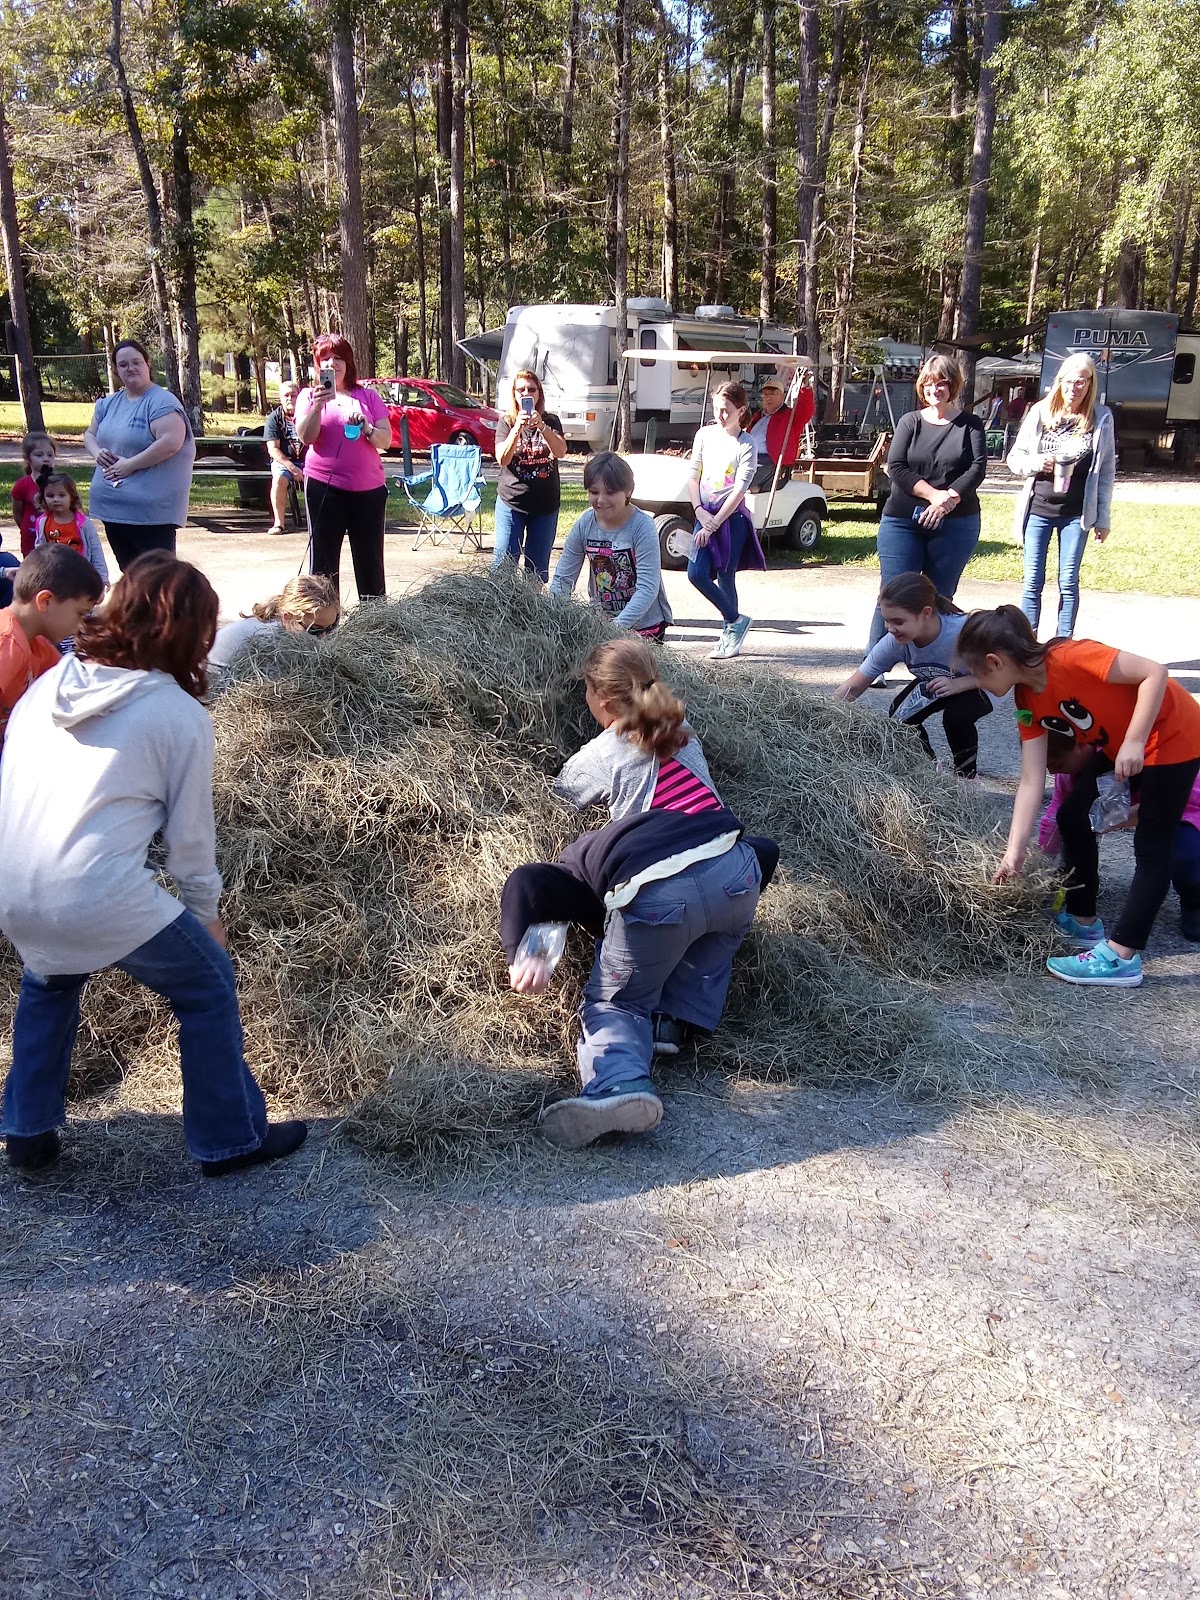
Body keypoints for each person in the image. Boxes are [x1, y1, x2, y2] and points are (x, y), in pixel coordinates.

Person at [0, 552, 308, 1175]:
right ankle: (230, 1140)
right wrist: (206, 917)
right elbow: (190, 840)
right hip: (92, 891)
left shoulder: (46, 688)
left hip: (14, 889)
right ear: (190, 634)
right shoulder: (177, 714)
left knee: (51, 980)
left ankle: (26, 1128)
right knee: (206, 986)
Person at [501, 638, 774, 1150]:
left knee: (616, 1001)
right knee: (706, 940)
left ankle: (620, 1083)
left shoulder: (602, 752)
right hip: (736, 870)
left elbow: (551, 821)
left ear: (600, 701)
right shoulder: (685, 734)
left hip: (659, 893)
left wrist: (529, 948)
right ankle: (674, 1021)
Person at [955, 606, 1200, 987]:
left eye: (976, 673)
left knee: (1153, 845)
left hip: (1173, 735)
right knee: (1074, 816)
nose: (977, 682)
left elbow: (1154, 672)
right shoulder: (1026, 702)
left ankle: (1122, 957)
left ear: (994, 661)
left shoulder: (1072, 656)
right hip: (1120, 744)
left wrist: (1134, 741)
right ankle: (1085, 921)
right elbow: (1032, 781)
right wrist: (1015, 852)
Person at [870, 353, 986, 646]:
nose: (936, 389)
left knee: (940, 595)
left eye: (943, 383)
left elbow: (977, 467)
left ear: (953, 387)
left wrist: (949, 500)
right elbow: (896, 467)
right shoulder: (910, 422)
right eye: (930, 383)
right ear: (922, 386)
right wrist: (935, 496)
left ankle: (934, 659)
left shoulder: (970, 425)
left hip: (956, 522)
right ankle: (875, 661)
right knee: (893, 591)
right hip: (902, 521)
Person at [1037, 734, 1200, 943]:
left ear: (1081, 745)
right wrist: (1042, 860)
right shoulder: (1068, 774)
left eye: (1057, 763)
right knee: (1072, 825)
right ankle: (1077, 897)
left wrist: (1110, 821)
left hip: (1184, 810)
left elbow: (1165, 805)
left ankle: (1195, 895)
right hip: (1136, 807)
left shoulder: (1132, 755)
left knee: (1182, 853)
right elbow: (1057, 814)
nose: (1052, 771)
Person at [834, 571, 992, 778]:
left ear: (926, 613)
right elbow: (853, 686)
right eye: (886, 621)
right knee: (900, 716)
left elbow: (1004, 672)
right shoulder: (893, 642)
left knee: (956, 717)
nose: (890, 628)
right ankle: (928, 771)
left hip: (982, 683)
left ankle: (967, 778)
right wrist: (822, 715)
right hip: (939, 681)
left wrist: (959, 684)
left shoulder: (963, 632)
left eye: (898, 621)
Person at [1006, 353, 1115, 639]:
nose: (1074, 388)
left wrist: (1102, 518)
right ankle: (1026, 642)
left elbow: (1105, 473)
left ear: (1090, 384)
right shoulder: (1040, 412)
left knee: (1068, 580)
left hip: (1076, 514)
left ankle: (1064, 643)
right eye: (1069, 381)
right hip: (1038, 509)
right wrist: (1036, 462)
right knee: (1032, 580)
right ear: (1059, 382)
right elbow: (1015, 458)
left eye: (1081, 382)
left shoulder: (1101, 417)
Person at [82, 338, 196, 571]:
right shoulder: (109, 403)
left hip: (150, 514)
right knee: (130, 572)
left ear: (148, 364)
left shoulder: (161, 402)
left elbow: (171, 442)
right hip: (113, 508)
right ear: (116, 370)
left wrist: (130, 465)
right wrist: (97, 452)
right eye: (123, 365)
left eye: (136, 362)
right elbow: (89, 434)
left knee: (157, 576)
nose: (130, 368)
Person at [294, 334, 392, 600]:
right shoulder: (307, 396)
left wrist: (367, 428)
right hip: (325, 489)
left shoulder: (368, 396)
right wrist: (317, 406)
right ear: (317, 365)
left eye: (338, 358)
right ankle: (323, 627)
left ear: (348, 362)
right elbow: (306, 437)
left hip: (369, 491)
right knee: (323, 565)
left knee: (370, 562)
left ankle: (375, 626)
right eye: (325, 358)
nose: (332, 363)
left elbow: (386, 440)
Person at [548, 452, 672, 641]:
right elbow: (563, 579)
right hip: (602, 623)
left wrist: (616, 628)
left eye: (610, 492)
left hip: (644, 627)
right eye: (594, 492)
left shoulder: (642, 526)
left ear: (628, 491)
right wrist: (554, 617)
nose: (601, 500)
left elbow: (648, 588)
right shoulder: (584, 524)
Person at [686, 380, 765, 660]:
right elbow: (693, 476)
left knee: (725, 575)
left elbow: (739, 490)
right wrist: (699, 512)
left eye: (727, 410)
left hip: (730, 520)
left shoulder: (747, 445)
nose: (721, 416)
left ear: (741, 410)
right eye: (717, 408)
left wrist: (715, 522)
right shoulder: (704, 436)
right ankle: (736, 620)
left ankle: (729, 634)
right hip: (704, 513)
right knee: (695, 573)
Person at [0, 547, 103, 740]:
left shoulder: (37, 644)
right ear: (45, 601)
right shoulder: (7, 641)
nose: (81, 625)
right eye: (80, 613)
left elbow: (72, 683)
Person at [491, 369, 567, 583]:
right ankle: (500, 613)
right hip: (511, 503)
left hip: (545, 507)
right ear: (514, 394)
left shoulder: (551, 421)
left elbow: (561, 451)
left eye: (532, 389)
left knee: (537, 572)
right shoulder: (506, 422)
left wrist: (541, 426)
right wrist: (517, 428)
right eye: (521, 389)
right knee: (503, 569)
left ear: (539, 394)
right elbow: (502, 459)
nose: (527, 393)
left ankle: (530, 614)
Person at [207, 574, 341, 672]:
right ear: (287, 618)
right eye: (314, 630)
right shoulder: (269, 642)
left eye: (331, 628)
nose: (323, 637)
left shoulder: (288, 630)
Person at [33, 472, 109, 585]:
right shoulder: (43, 522)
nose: (56, 499)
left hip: (80, 575)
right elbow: (40, 550)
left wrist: (102, 578)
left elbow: (96, 550)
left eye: (61, 495)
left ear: (72, 497)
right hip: (54, 577)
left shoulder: (83, 524)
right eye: (50, 495)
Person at [746, 371, 815, 489]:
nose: (768, 397)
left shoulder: (790, 416)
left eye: (772, 394)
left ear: (782, 396)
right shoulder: (757, 417)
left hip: (770, 462)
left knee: (743, 478)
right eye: (765, 394)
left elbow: (805, 409)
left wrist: (804, 387)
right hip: (748, 457)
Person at [263, 378, 305, 535]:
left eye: (293, 395)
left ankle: (320, 522)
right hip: (285, 462)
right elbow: (273, 449)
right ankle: (279, 523)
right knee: (279, 480)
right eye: (286, 395)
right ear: (280, 398)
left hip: (309, 461)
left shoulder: (308, 414)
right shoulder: (274, 418)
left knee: (321, 481)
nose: (290, 399)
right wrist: (292, 467)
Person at [12, 431, 57, 556]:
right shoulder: (22, 485)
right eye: (39, 455)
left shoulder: (59, 483)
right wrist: (26, 528)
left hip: (55, 535)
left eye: (50, 455)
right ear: (27, 458)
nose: (46, 459)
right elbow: (17, 513)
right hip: (31, 538)